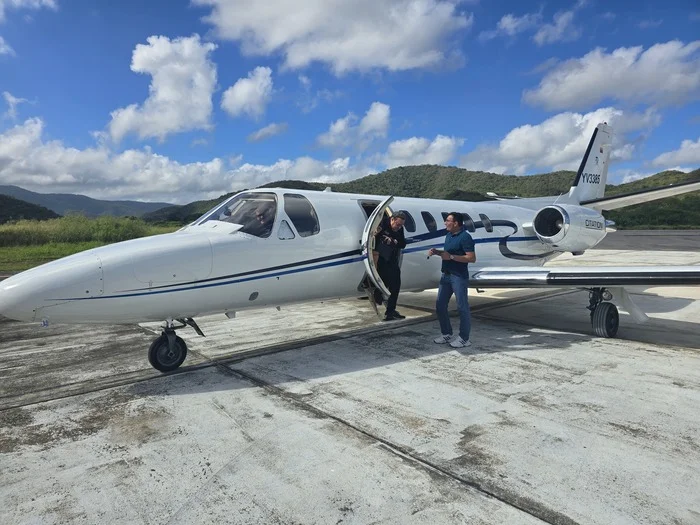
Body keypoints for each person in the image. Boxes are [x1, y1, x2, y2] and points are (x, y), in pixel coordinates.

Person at [428, 212, 476, 348]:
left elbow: (471, 258)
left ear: (456, 223)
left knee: (462, 307)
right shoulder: (448, 236)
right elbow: (447, 254)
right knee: (440, 305)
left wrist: (453, 257)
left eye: (448, 221)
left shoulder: (465, 237)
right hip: (446, 275)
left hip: (458, 276)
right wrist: (437, 252)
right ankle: (446, 333)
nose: (445, 223)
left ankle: (464, 338)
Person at [373, 212, 406, 321]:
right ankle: (377, 296)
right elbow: (373, 238)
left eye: (401, 225)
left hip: (391, 259)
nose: (399, 227)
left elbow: (403, 243)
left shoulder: (399, 229)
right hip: (380, 258)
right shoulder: (381, 225)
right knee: (383, 281)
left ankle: (391, 311)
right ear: (392, 219)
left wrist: (393, 241)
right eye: (397, 224)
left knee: (395, 285)